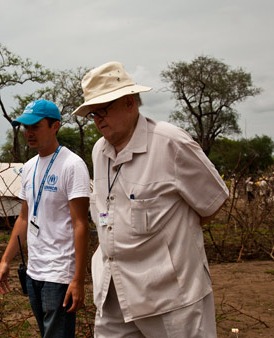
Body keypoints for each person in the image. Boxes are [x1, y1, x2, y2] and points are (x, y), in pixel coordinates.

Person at [72, 61, 229, 338]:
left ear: (130, 102)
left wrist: (175, 239)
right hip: (114, 293)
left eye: (103, 110)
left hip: (171, 300)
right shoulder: (100, 151)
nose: (97, 119)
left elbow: (213, 202)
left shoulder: (170, 143)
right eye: (92, 113)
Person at [0, 99, 91, 338]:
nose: (29, 132)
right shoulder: (29, 167)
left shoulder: (72, 165)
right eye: (26, 127)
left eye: (36, 126)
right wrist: (6, 260)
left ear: (55, 126)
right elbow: (24, 218)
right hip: (33, 271)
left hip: (59, 273)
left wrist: (78, 279)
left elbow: (81, 224)